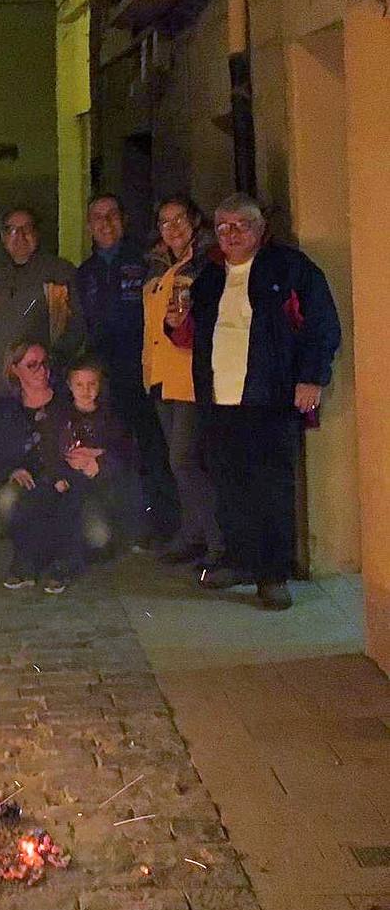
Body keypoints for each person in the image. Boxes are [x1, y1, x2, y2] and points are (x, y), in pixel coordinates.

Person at [167, 192, 341, 609]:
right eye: (222, 226)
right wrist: (175, 325)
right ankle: (238, 562)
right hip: (219, 398)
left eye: (240, 225)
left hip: (270, 396)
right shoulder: (209, 276)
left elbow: (322, 325)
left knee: (271, 486)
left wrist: (312, 378)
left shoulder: (291, 268)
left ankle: (272, 573)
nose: (230, 234)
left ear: (260, 229)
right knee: (228, 483)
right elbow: (193, 334)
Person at [76, 193, 177, 543]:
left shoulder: (147, 262)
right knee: (112, 449)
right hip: (106, 375)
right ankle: (118, 524)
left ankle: (161, 525)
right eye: (98, 217)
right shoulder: (85, 273)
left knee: (152, 447)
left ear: (124, 219)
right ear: (89, 225)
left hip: (145, 371)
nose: (105, 223)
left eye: (113, 215)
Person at [0, 206, 85, 474]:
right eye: (11, 230)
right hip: (3, 387)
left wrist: (54, 362)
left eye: (27, 229)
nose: (19, 237)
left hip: (47, 387)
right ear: (2, 235)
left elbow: (76, 324)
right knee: (8, 464)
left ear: (37, 233)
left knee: (54, 456)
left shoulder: (59, 272)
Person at [142, 195, 221, 566]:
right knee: (179, 462)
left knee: (185, 460)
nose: (172, 228)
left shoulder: (207, 265)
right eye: (164, 222)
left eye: (179, 220)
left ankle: (217, 542)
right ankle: (194, 536)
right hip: (159, 375)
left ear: (195, 222)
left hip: (190, 376)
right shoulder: (157, 267)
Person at [0, 341, 84, 593]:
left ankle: (61, 563)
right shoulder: (7, 409)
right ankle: (25, 561)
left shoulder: (65, 402)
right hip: (29, 478)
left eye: (44, 364)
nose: (41, 371)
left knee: (65, 501)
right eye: (31, 365)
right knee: (12, 498)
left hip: (63, 476)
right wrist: (13, 470)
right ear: (15, 370)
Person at [58, 357, 138, 558]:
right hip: (66, 488)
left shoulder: (112, 418)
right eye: (79, 384)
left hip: (98, 491)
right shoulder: (60, 415)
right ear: (69, 385)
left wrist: (100, 460)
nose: (86, 390)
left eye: (92, 384)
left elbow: (125, 454)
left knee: (98, 537)